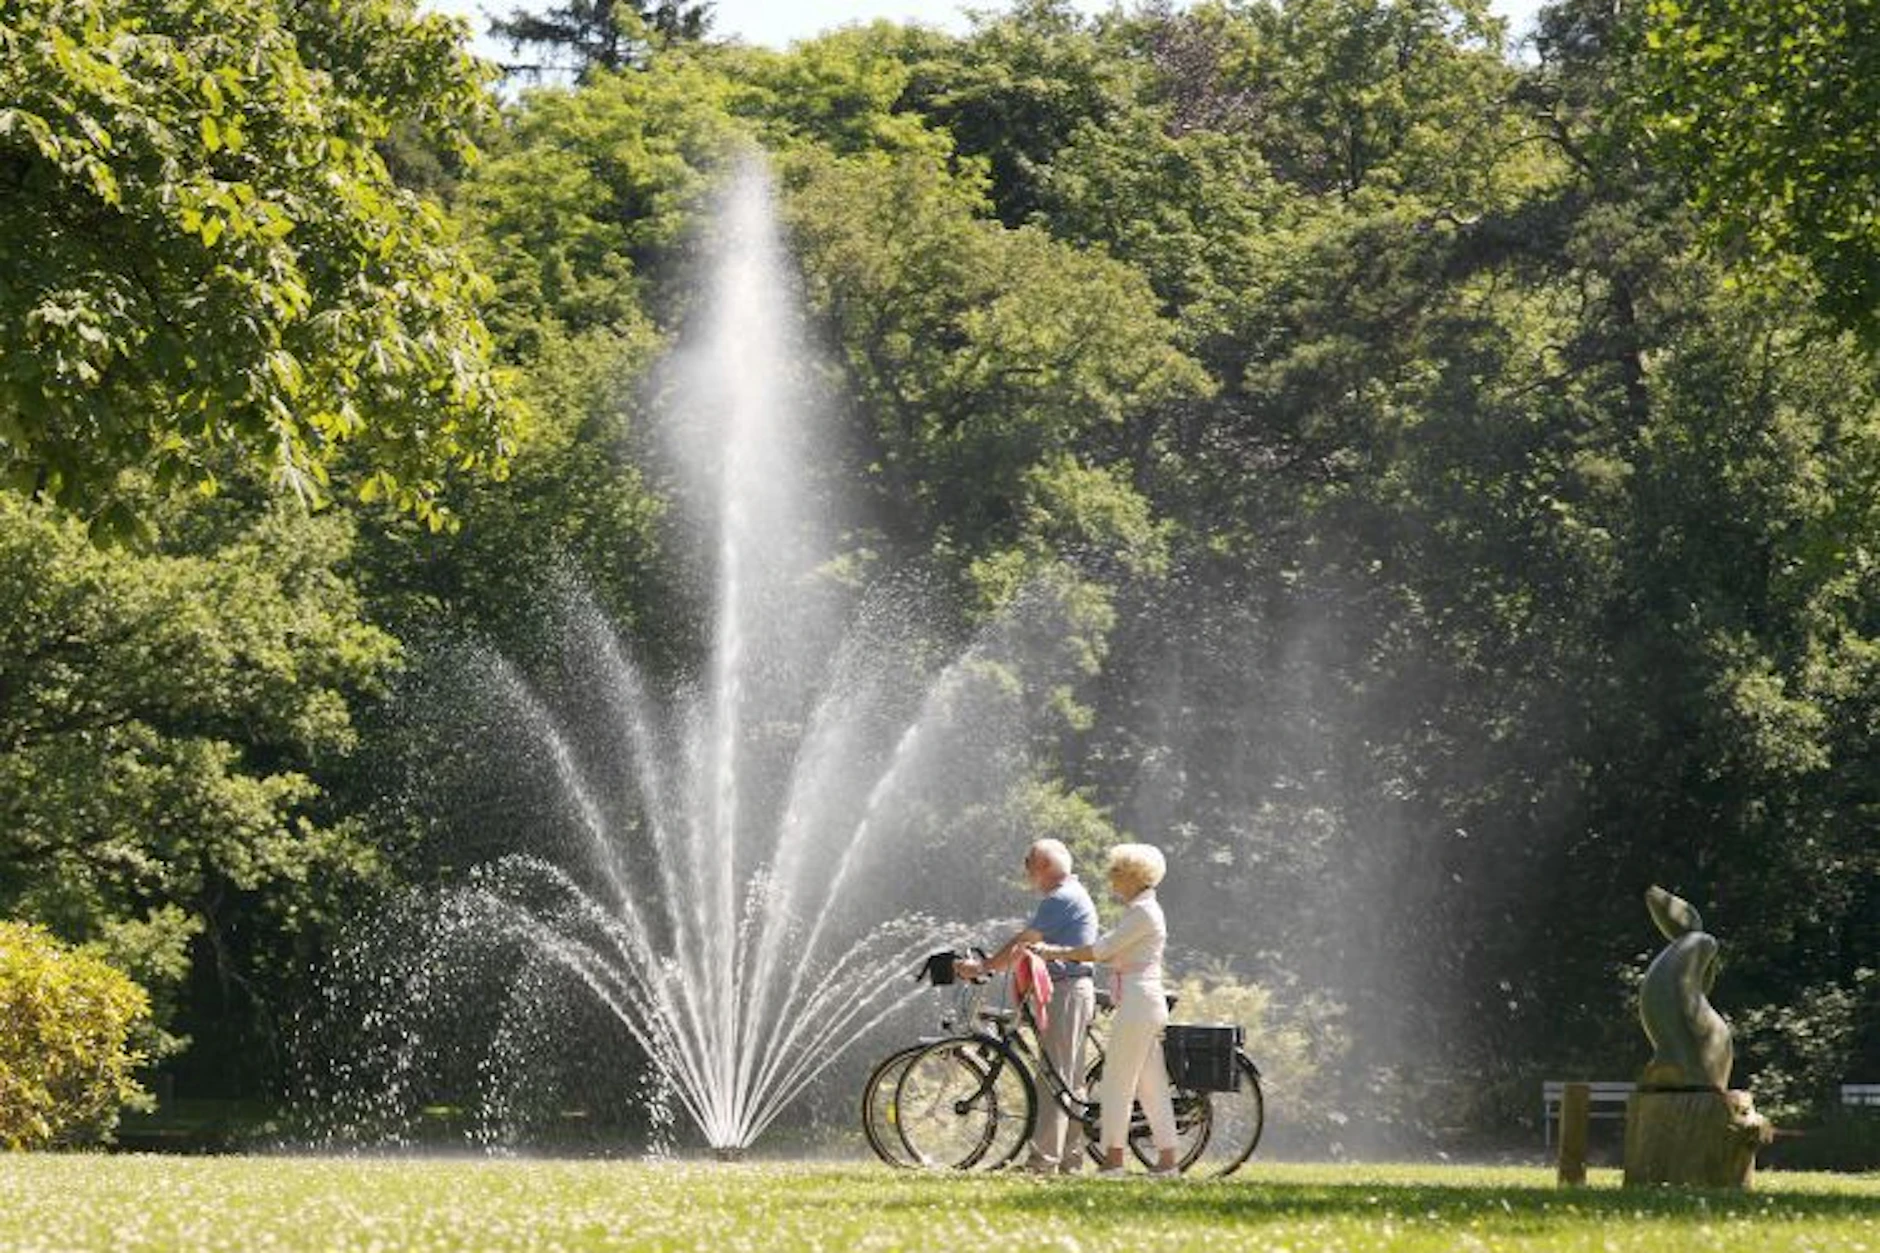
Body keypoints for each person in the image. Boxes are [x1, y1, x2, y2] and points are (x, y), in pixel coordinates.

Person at [1032, 843, 1179, 1177]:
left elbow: (1101, 950)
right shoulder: (1143, 911)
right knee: (1151, 1085)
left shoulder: (1142, 913)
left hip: (1138, 1002)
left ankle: (1114, 1160)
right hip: (1143, 1001)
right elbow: (1112, 951)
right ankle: (1167, 1161)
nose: (1112, 884)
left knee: (1116, 1082)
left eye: (1116, 877)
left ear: (1132, 877)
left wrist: (1053, 953)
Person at [954, 838, 1098, 1174]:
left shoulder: (1060, 898)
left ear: (1045, 865)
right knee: (1070, 1082)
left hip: (1065, 991)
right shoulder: (1071, 896)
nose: (1026, 870)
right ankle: (1069, 1160)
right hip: (1073, 989)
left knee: (1053, 1078)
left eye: (1028, 861)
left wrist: (983, 966)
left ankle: (1042, 1162)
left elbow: (1023, 942)